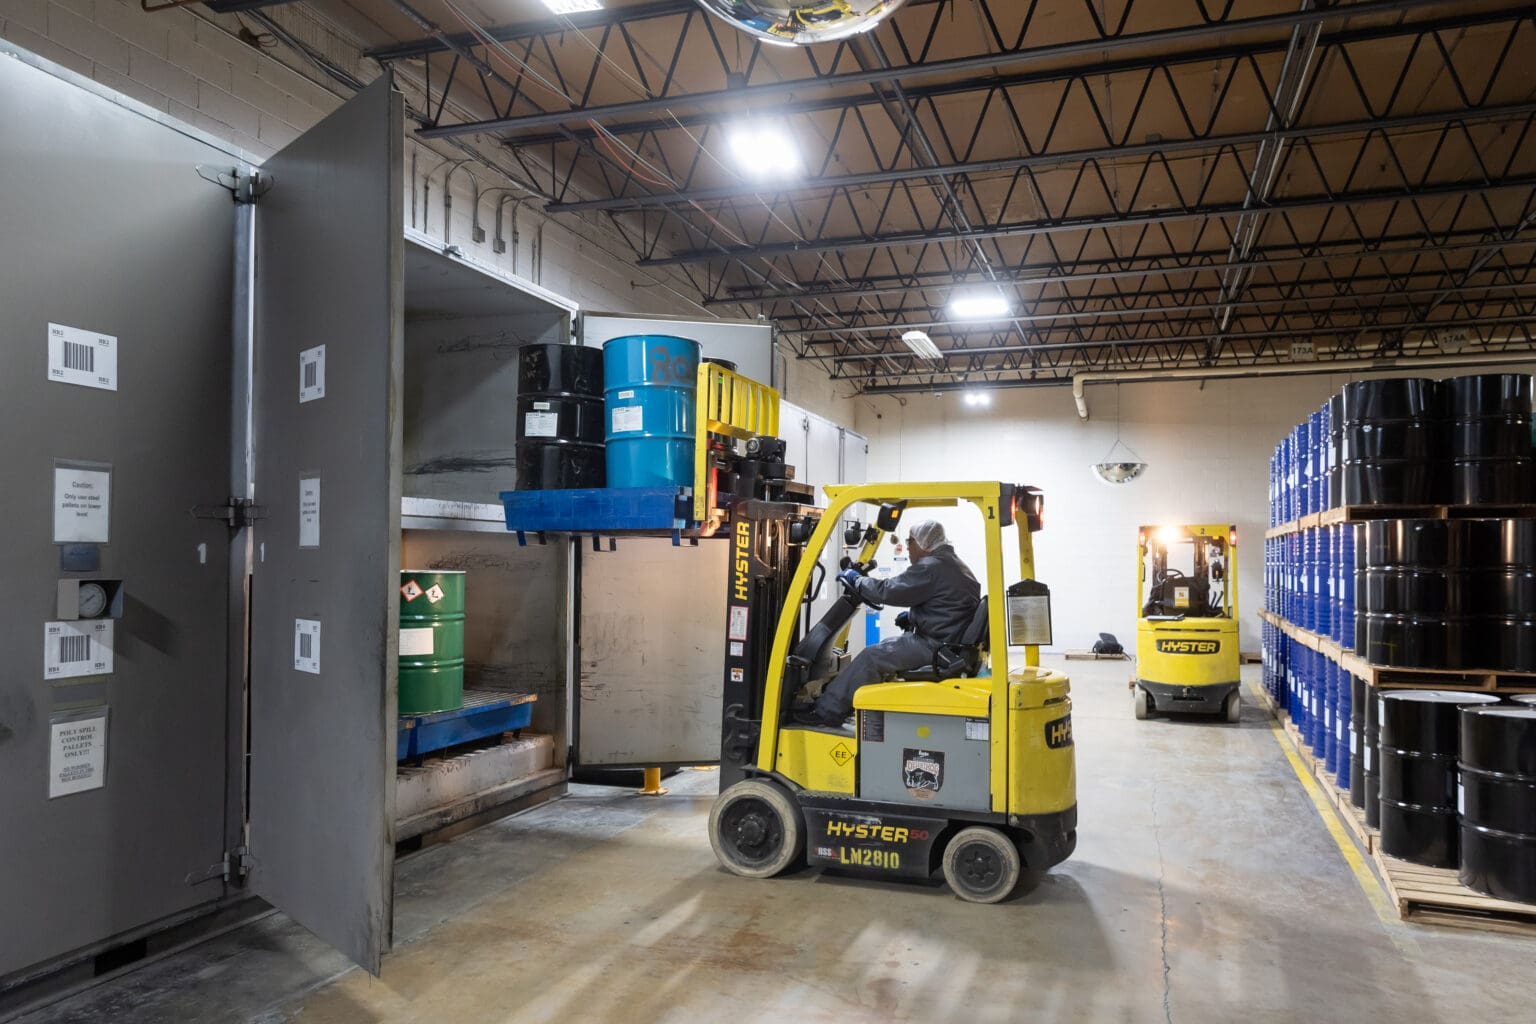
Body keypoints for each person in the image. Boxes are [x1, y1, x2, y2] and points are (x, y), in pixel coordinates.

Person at [797, 520, 980, 727]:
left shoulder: (931, 567)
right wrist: (911, 617)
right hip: (945, 642)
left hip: (935, 647)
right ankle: (850, 704)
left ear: (924, 543)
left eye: (910, 542)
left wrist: (857, 580)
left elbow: (889, 590)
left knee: (872, 656)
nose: (908, 547)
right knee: (885, 647)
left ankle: (826, 712)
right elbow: (947, 606)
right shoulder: (953, 564)